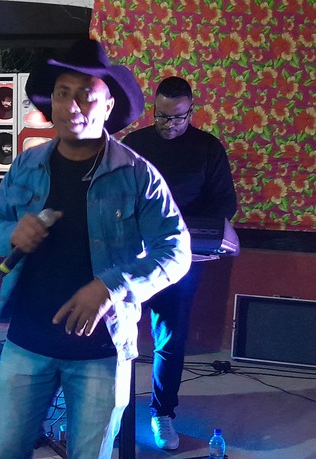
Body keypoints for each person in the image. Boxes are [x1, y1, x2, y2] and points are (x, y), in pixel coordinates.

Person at [0, 39, 191, 459]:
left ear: (108, 106)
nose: (71, 105)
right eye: (62, 93)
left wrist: (112, 286)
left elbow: (176, 250)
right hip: (27, 341)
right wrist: (12, 234)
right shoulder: (26, 165)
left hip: (101, 349)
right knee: (3, 451)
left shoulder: (137, 175)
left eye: (85, 95)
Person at [121, 76, 238, 450]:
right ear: (154, 108)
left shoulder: (207, 148)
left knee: (169, 339)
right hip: (132, 253)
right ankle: (112, 409)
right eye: (161, 116)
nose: (169, 125)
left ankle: (163, 413)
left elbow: (225, 203)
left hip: (180, 257)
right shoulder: (134, 145)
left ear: (191, 111)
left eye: (178, 118)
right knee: (116, 333)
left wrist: (192, 230)